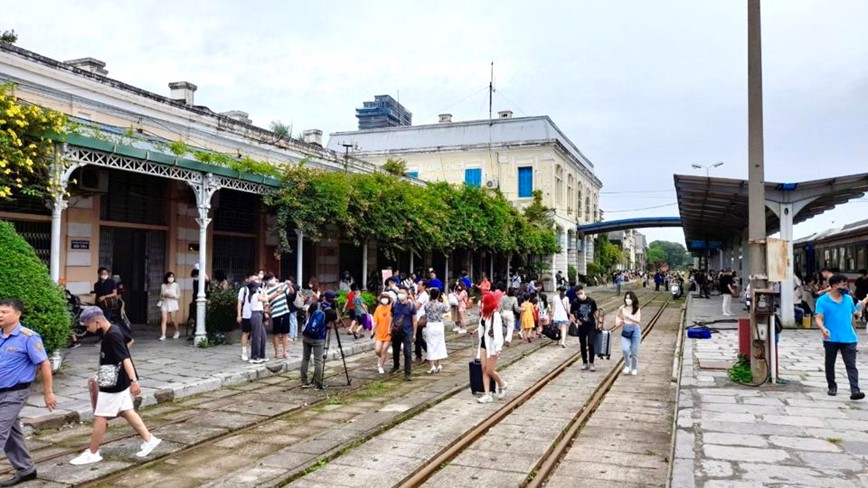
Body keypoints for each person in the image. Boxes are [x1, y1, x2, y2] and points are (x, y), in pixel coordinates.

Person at [70, 307, 160, 465]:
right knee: (126, 411)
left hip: (114, 383)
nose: (87, 329)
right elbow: (129, 342)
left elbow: (125, 358)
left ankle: (93, 452)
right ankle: (149, 439)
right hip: (118, 379)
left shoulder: (112, 335)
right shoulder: (114, 329)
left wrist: (134, 381)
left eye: (87, 326)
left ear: (96, 322)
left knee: (100, 417)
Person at [0, 299, 57, 486]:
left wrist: (48, 392)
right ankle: (26, 469)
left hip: (15, 393)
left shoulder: (29, 337)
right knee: (11, 433)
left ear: (18, 314)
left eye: (5, 312)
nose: (0, 315)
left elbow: (44, 363)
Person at [815, 274, 864, 400]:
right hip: (831, 338)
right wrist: (823, 328)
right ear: (834, 285)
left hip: (848, 338)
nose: (846, 287)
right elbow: (818, 318)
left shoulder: (848, 299)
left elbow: (853, 315)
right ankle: (832, 386)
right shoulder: (822, 301)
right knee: (830, 363)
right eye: (843, 284)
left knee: (851, 365)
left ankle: (855, 390)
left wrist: (855, 331)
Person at [476, 293, 507, 404]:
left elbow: (498, 332)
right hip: (484, 344)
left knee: (490, 370)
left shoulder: (495, 315)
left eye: (484, 302)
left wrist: (498, 347)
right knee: (484, 369)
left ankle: (502, 384)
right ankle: (487, 394)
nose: (482, 304)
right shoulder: (484, 314)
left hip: (492, 345)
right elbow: (482, 327)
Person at [391, 287, 417, 381]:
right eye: (399, 292)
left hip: (407, 331)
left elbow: (414, 320)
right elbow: (392, 317)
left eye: (402, 292)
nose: (400, 294)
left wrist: (414, 333)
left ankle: (408, 373)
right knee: (395, 350)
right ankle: (396, 366)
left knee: (408, 352)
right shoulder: (394, 304)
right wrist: (390, 328)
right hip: (396, 331)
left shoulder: (411, 306)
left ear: (407, 294)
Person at [570, 286, 599, 371]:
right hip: (581, 326)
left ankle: (591, 363)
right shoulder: (575, 302)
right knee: (582, 344)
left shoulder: (591, 301)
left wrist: (599, 323)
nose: (579, 295)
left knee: (591, 343)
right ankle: (584, 362)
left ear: (583, 291)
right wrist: (576, 321)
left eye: (580, 293)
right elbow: (571, 314)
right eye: (577, 294)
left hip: (591, 325)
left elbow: (595, 312)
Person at [300, 302, 326, 389]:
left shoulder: (310, 313)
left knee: (305, 358)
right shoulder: (323, 312)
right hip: (318, 339)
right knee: (318, 360)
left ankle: (304, 381)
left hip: (307, 337)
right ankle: (318, 383)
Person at [423, 288, 450, 374]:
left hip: (431, 325)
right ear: (438, 295)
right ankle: (439, 364)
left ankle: (432, 366)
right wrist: (445, 299)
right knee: (439, 343)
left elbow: (426, 311)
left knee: (431, 345)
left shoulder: (427, 305)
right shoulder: (441, 305)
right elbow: (448, 309)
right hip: (439, 325)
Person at [264, 274, 291, 359]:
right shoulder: (266, 291)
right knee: (276, 334)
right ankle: (276, 352)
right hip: (276, 313)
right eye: (269, 279)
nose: (272, 280)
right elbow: (266, 303)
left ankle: (285, 351)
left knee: (285, 333)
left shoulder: (281, 285)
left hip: (285, 311)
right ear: (266, 281)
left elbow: (291, 292)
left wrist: (289, 285)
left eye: (272, 278)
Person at [617, 291, 642, 376]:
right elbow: (618, 316)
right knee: (625, 349)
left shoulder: (636, 308)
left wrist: (629, 316)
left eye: (630, 298)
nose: (628, 300)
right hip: (626, 330)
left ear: (633, 299)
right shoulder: (622, 308)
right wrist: (619, 321)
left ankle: (634, 368)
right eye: (626, 298)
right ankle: (627, 366)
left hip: (635, 330)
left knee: (634, 351)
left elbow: (638, 320)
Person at [236, 273, 258, 362]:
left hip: (256, 314)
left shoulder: (259, 289)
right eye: (253, 280)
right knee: (246, 333)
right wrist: (239, 315)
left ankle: (255, 352)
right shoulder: (243, 290)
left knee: (256, 334)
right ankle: (244, 352)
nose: (255, 281)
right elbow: (240, 302)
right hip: (246, 315)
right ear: (248, 280)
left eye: (256, 279)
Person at [247, 277, 268, 364]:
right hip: (256, 315)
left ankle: (261, 355)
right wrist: (265, 292)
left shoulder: (254, 295)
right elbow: (266, 299)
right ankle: (255, 356)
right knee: (257, 337)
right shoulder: (255, 295)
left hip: (259, 314)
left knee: (263, 336)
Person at [372, 293, 393, 375]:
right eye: (383, 298)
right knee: (377, 350)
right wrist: (372, 330)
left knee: (384, 350)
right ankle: (382, 358)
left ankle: (381, 366)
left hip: (388, 333)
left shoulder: (391, 308)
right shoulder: (378, 309)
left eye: (386, 298)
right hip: (380, 333)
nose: (384, 300)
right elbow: (376, 321)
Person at [158, 271, 180, 340]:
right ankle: (163, 334)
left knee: (173, 319)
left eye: (172, 276)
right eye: (170, 276)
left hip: (173, 303)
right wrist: (163, 296)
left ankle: (177, 331)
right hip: (165, 303)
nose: (171, 278)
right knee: (164, 319)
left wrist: (172, 296)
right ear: (167, 278)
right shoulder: (163, 285)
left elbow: (178, 295)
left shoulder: (176, 285)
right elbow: (161, 295)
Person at [414, 281, 429, 363]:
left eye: (419, 284)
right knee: (418, 337)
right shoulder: (419, 294)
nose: (418, 286)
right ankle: (423, 354)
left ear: (424, 286)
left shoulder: (423, 295)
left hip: (420, 318)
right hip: (417, 317)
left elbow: (416, 307)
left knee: (418, 337)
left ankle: (419, 355)